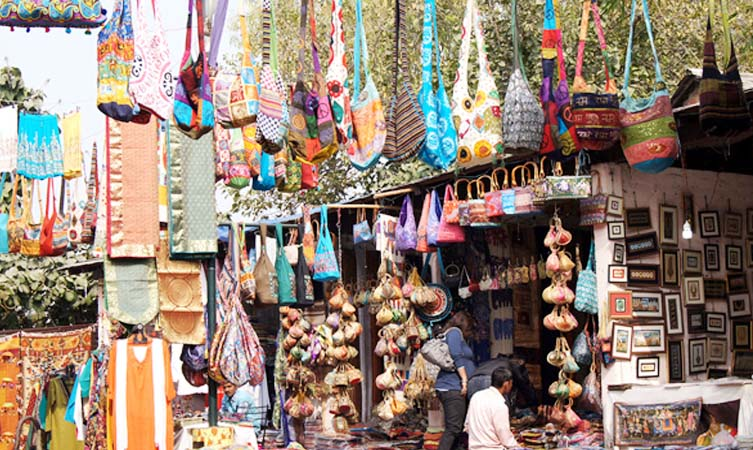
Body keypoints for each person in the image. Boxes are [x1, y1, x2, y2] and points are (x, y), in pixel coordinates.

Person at [435, 311, 476, 450]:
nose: (470, 332)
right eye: (470, 328)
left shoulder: (455, 334)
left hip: (454, 387)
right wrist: (464, 380)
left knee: (457, 429)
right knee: (453, 429)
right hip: (452, 387)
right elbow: (456, 356)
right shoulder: (454, 333)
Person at [465, 368, 520, 450]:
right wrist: (517, 447)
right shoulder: (499, 404)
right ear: (506, 384)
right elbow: (504, 435)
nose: (511, 386)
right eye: (511, 383)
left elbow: (467, 426)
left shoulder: (476, 396)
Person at [467, 354, 538, 414]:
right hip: (489, 379)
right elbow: (522, 383)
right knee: (502, 410)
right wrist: (533, 402)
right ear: (520, 361)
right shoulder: (513, 364)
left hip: (472, 381)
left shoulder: (492, 361)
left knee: (477, 412)